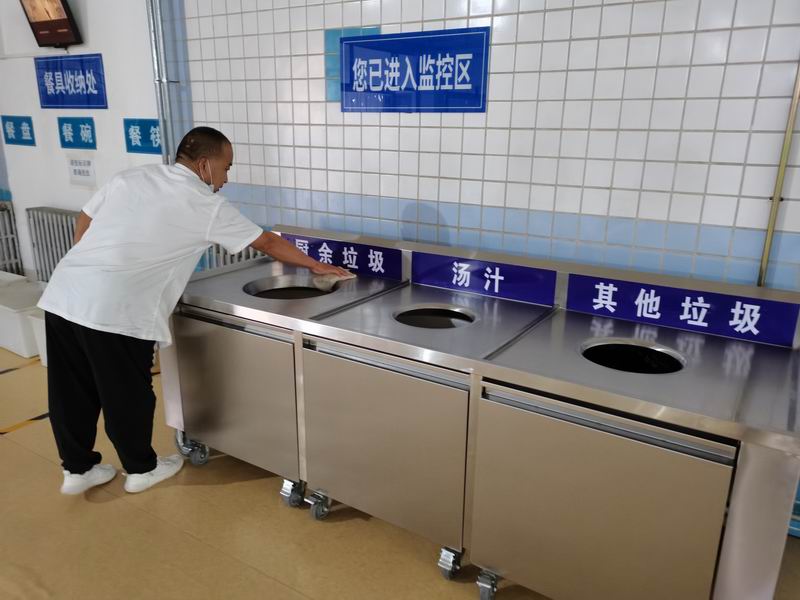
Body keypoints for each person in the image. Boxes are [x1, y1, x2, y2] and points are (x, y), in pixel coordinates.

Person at [37, 126, 349, 495]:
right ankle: (141, 470)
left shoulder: (132, 177)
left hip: (64, 292)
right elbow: (266, 241)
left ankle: (77, 470)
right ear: (204, 165)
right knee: (125, 391)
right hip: (115, 308)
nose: (226, 179)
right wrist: (316, 265)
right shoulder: (204, 203)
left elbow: (84, 219)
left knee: (71, 388)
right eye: (226, 168)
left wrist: (90, 268)